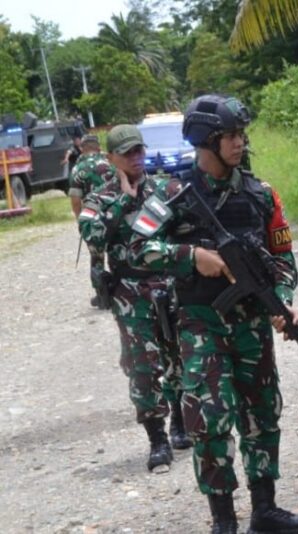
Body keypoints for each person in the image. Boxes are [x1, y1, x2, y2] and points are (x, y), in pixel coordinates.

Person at [128, 94, 298, 534]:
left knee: (262, 414)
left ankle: (265, 510)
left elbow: (283, 259)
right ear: (206, 140)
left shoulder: (260, 193)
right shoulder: (170, 193)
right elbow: (135, 249)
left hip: (252, 324)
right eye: (230, 135)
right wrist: (192, 256)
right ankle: (224, 521)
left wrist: (282, 300)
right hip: (200, 324)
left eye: (241, 134)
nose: (239, 142)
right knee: (209, 421)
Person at [78, 125, 189, 474]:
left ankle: (181, 424)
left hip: (171, 285)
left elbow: (189, 224)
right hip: (130, 291)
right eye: (127, 153)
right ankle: (157, 439)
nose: (136, 158)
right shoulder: (100, 198)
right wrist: (125, 199)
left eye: (139, 151)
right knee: (143, 365)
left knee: (180, 355)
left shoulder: (165, 187)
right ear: (110, 158)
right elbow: (92, 235)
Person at [68, 134, 116, 307]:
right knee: (118, 251)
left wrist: (80, 220)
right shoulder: (110, 162)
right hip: (115, 213)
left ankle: (102, 294)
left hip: (93, 216)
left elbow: (75, 199)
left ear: (82, 148)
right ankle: (121, 291)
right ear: (98, 146)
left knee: (97, 257)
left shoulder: (78, 169)